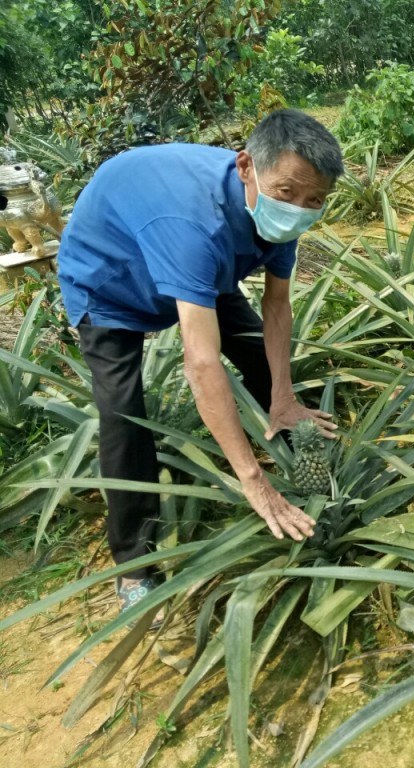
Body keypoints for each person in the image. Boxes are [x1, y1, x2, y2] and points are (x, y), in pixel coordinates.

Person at [57, 109, 344, 619]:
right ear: (245, 168)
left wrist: (285, 396)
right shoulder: (194, 226)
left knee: (259, 355)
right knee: (123, 415)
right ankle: (134, 565)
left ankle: (291, 447)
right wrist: (251, 482)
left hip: (199, 266)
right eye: (288, 194)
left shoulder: (283, 206)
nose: (300, 209)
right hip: (111, 281)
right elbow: (201, 362)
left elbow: (277, 305)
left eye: (314, 201)